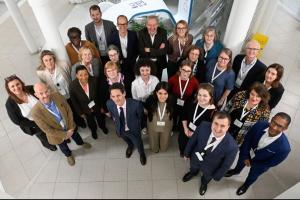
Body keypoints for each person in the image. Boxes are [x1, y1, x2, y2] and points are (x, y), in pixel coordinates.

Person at [225, 112, 291, 196]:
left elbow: (272, 163)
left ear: (285, 128)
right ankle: (236, 171)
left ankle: (246, 185)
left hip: (260, 165)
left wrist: (252, 163)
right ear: (272, 118)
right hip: (246, 153)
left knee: (253, 176)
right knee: (240, 162)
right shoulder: (260, 124)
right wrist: (245, 156)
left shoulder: (284, 148)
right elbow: (248, 138)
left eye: (280, 126)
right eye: (274, 122)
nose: (274, 127)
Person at [31, 83, 91, 166]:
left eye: (46, 91)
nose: (45, 95)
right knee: (62, 145)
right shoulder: (35, 112)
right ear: (36, 95)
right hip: (56, 134)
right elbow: (47, 129)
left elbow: (68, 110)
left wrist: (70, 128)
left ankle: (81, 143)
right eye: (41, 93)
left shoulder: (57, 95)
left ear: (49, 89)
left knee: (76, 135)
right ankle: (68, 155)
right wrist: (64, 134)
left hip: (69, 125)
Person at [182, 111, 238, 196]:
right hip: (195, 158)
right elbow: (193, 140)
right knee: (193, 168)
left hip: (211, 167)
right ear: (212, 122)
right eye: (216, 123)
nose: (217, 128)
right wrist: (186, 153)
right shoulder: (203, 126)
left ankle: (204, 183)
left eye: (222, 126)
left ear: (228, 127)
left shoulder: (232, 146)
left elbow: (226, 165)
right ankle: (192, 173)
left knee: (206, 177)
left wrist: (217, 176)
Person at [5, 75, 56, 151]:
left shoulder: (31, 89)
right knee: (44, 137)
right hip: (34, 125)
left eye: (17, 84)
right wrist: (37, 124)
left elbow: (44, 96)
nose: (16, 87)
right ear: (9, 89)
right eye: (12, 86)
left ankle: (61, 139)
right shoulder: (9, 104)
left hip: (48, 116)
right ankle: (50, 145)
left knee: (55, 130)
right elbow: (17, 121)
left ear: (21, 83)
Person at [36, 50, 86, 128]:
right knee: (66, 111)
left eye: (50, 59)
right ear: (43, 62)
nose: (49, 62)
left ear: (54, 58)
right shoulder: (41, 72)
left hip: (69, 92)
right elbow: (44, 84)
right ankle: (73, 125)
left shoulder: (63, 64)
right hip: (58, 96)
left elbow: (70, 75)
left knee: (75, 107)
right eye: (46, 60)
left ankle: (80, 121)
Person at [106, 83, 147, 165]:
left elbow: (140, 116)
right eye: (113, 96)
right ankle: (130, 146)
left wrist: (138, 126)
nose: (116, 99)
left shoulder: (136, 104)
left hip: (133, 129)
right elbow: (113, 115)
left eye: (118, 95)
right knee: (126, 140)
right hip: (120, 129)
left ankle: (142, 153)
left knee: (138, 143)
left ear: (124, 93)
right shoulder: (109, 103)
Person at [69, 65, 108, 139]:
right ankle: (93, 131)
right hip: (85, 109)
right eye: (80, 75)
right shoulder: (72, 86)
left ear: (88, 73)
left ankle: (103, 127)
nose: (84, 77)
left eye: (86, 74)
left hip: (97, 106)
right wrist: (80, 113)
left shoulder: (94, 80)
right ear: (76, 75)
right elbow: (74, 101)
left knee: (100, 119)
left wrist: (102, 107)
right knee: (90, 122)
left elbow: (100, 95)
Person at [180, 83, 216, 156]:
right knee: (183, 146)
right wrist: (185, 129)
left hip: (198, 138)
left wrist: (195, 134)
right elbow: (184, 116)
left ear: (210, 97)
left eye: (205, 96)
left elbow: (209, 131)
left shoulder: (214, 113)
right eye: (199, 95)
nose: (201, 98)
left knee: (192, 152)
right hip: (186, 131)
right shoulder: (191, 103)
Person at [168, 60, 199, 131]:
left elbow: (196, 93)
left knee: (183, 117)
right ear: (180, 69)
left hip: (186, 104)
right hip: (174, 103)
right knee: (173, 116)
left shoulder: (194, 81)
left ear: (191, 71)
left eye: (188, 71)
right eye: (184, 70)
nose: (185, 73)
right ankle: (172, 128)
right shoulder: (173, 79)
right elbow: (168, 91)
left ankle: (179, 128)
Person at [107, 15, 138, 82]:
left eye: (124, 24)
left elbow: (136, 50)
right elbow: (110, 51)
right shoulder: (112, 37)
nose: (123, 26)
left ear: (127, 24)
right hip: (118, 66)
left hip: (131, 66)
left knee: (131, 83)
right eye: (120, 24)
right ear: (117, 25)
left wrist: (132, 61)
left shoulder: (133, 34)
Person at [145, 82, 174, 153]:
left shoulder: (172, 100)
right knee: (153, 139)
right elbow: (146, 111)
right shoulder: (150, 100)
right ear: (156, 92)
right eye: (160, 93)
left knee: (164, 143)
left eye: (165, 93)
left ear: (169, 93)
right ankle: (154, 148)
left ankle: (163, 147)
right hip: (153, 124)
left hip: (166, 124)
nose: (162, 96)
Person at [138, 15, 168, 80]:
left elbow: (164, 50)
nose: (152, 27)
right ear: (146, 25)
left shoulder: (163, 32)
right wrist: (158, 50)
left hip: (159, 63)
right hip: (146, 63)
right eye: (149, 25)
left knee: (157, 82)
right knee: (146, 82)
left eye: (154, 25)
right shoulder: (141, 33)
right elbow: (141, 51)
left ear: (158, 24)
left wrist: (149, 49)